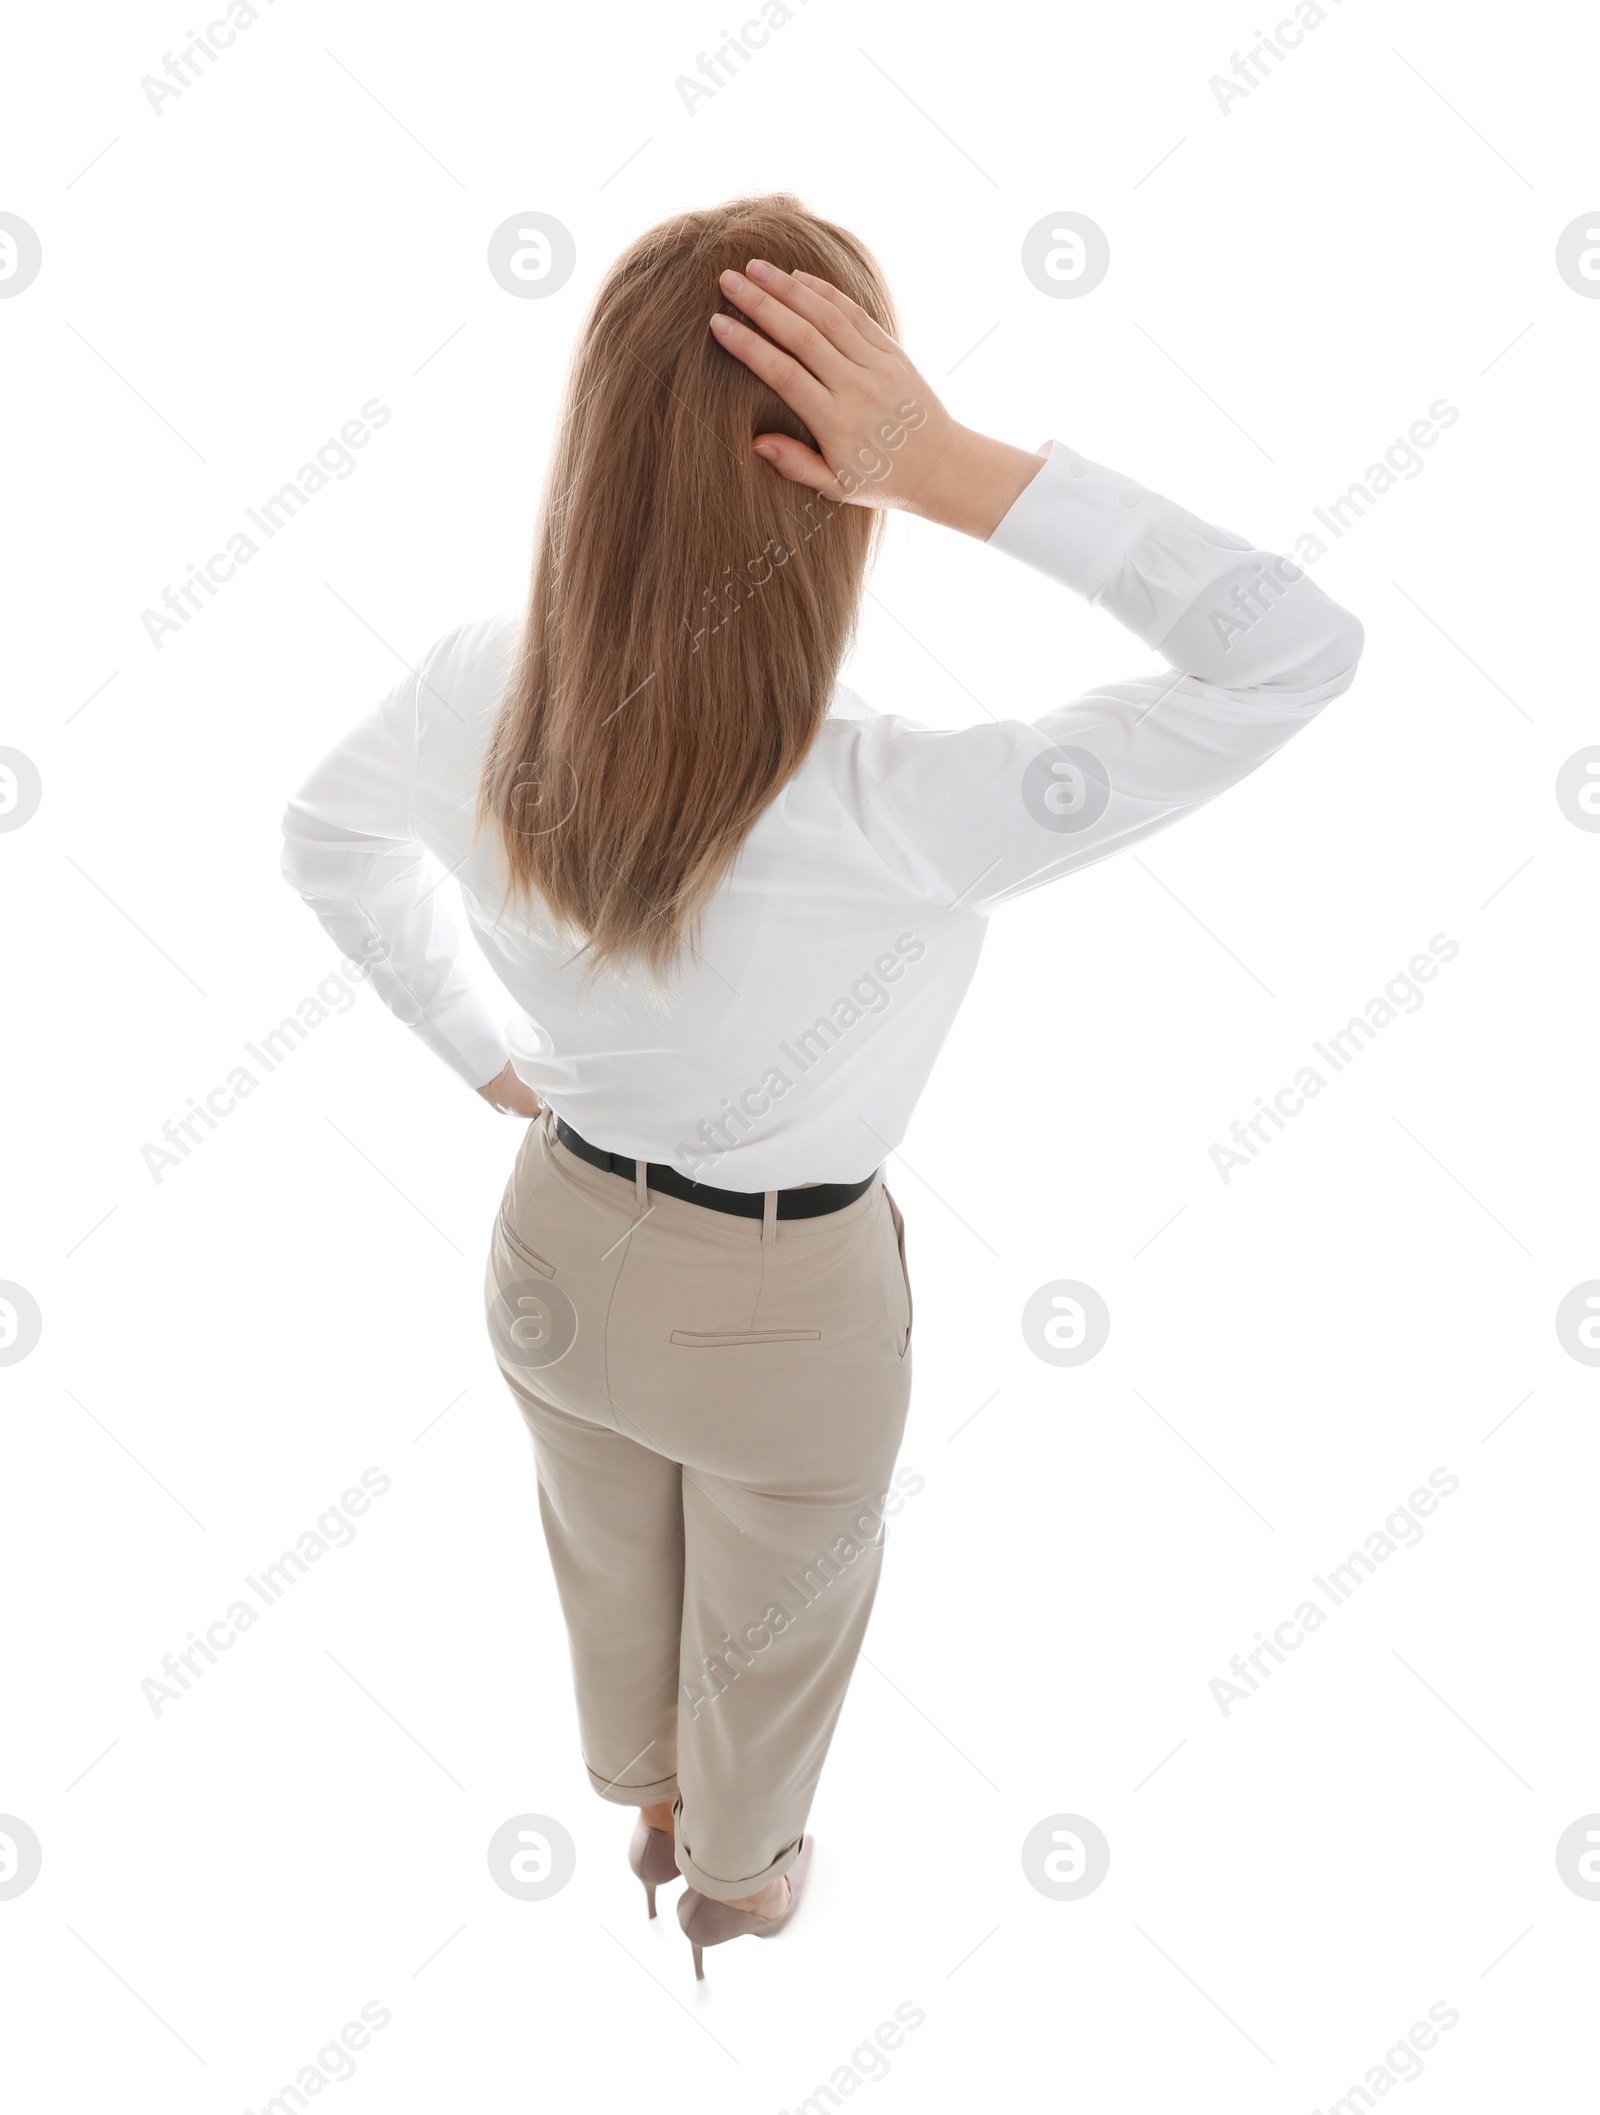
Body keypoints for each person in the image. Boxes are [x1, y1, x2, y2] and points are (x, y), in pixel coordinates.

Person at [280, 192, 1363, 1979]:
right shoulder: (902, 810)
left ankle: (640, 1799)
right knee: (771, 1630)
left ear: (598, 445)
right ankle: (739, 1879)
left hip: (551, 1240)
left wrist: (477, 1052)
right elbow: (1292, 648)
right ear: (823, 488)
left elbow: (323, 842)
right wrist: (948, 464)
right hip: (792, 1307)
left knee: (604, 1551)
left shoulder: (479, 684)